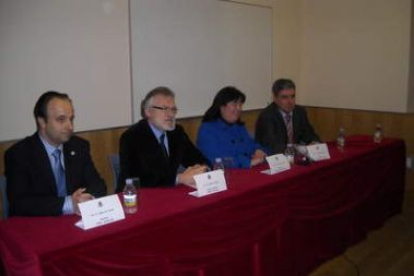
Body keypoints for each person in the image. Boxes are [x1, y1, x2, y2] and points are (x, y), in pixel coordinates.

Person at [4, 91, 107, 217]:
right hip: (38, 226)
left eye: (71, 119)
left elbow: (98, 185)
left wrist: (85, 199)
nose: (70, 126)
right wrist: (69, 204)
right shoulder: (19, 154)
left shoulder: (79, 146)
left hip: (74, 222)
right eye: (61, 119)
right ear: (42, 122)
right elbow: (19, 203)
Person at [117, 86, 209, 191]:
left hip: (169, 194)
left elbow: (196, 159)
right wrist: (178, 179)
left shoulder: (177, 133)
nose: (170, 114)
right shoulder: (131, 137)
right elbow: (136, 179)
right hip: (139, 198)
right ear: (148, 112)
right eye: (164, 109)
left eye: (173, 109)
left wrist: (203, 169)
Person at [197, 86, 267, 168]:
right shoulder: (207, 129)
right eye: (234, 104)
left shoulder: (239, 126)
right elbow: (217, 160)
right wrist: (248, 162)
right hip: (225, 176)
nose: (239, 108)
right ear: (222, 107)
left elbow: (251, 144)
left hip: (247, 171)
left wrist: (258, 150)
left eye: (240, 105)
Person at [255, 78, 320, 154]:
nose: (290, 101)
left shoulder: (299, 112)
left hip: (295, 157)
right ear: (275, 98)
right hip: (276, 161)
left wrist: (314, 143)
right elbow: (274, 146)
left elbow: (310, 134)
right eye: (284, 97)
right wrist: (299, 149)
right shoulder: (266, 116)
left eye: (292, 96)